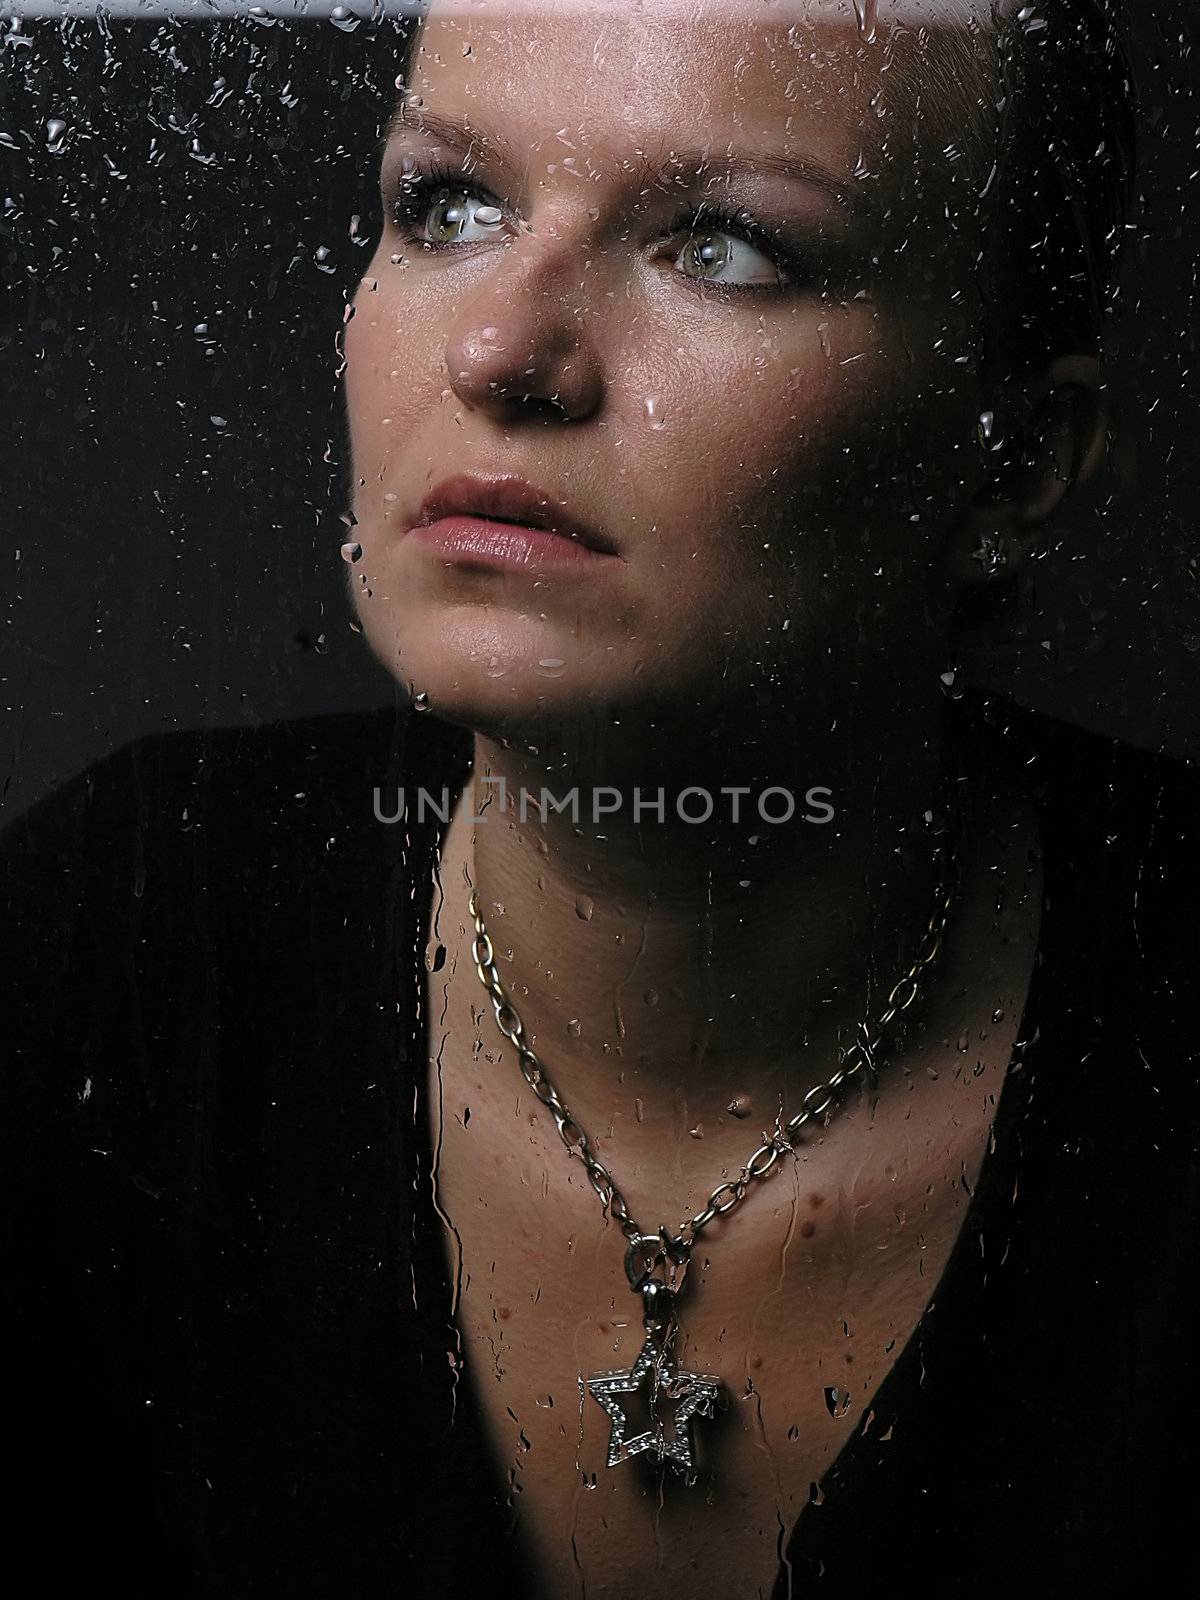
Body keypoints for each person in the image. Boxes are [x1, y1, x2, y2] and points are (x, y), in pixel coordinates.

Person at [3, 2, 1197, 1596]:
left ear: (1016, 459)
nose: (500, 350)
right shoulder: (109, 944)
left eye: (725, 247)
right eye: (448, 207)